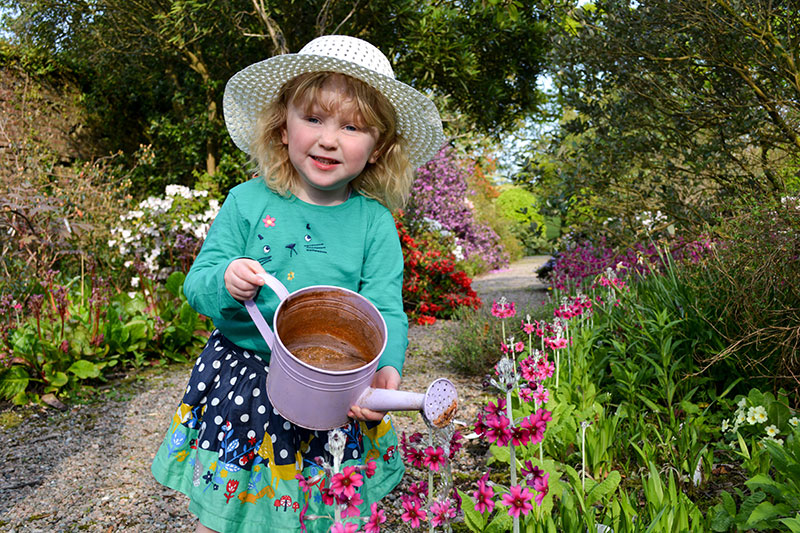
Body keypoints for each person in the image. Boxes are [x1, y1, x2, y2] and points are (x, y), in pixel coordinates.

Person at [150, 35, 444, 533]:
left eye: (352, 127)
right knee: (234, 507)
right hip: (247, 381)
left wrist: (386, 368)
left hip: (337, 388)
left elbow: (383, 307)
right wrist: (226, 280)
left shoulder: (373, 223)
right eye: (313, 118)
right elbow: (197, 285)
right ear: (282, 127)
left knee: (328, 507)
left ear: (378, 149)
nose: (329, 139)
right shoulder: (247, 203)